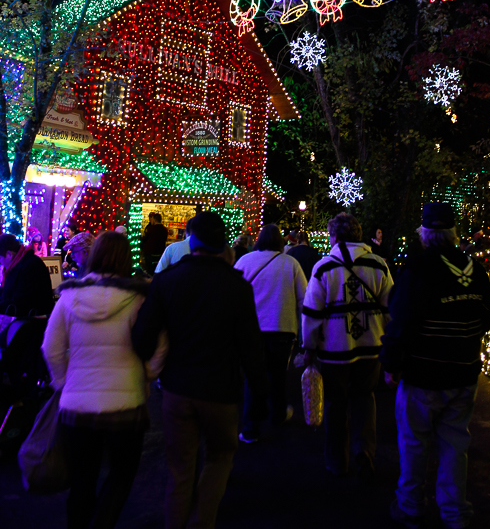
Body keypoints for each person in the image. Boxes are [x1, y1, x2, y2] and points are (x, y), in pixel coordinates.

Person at [131, 211, 268, 529]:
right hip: (221, 390)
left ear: (191, 243)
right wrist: (260, 393)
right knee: (220, 456)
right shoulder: (236, 286)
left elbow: (143, 336)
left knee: (180, 468)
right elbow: (251, 346)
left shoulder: (166, 280)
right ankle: (202, 520)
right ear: (223, 245)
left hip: (177, 388)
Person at [380, 202, 490, 529]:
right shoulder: (474, 268)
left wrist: (392, 364)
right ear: (453, 232)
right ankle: (455, 511)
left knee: (415, 444)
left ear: (425, 233)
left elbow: (400, 323)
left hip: (424, 375)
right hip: (464, 370)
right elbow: (489, 317)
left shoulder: (417, 269)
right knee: (455, 446)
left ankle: (411, 506)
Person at [42, 230, 166, 529]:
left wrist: (63, 382)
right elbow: (160, 347)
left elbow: (51, 348)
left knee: (82, 478)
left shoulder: (68, 298)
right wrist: (146, 375)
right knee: (122, 475)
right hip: (127, 404)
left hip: (77, 405)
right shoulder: (139, 300)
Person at [302, 212, 393, 479]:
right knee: (365, 399)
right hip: (371, 348)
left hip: (333, 351)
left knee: (334, 403)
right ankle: (364, 452)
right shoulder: (379, 266)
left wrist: (308, 347)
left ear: (335, 236)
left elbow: (311, 314)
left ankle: (336, 461)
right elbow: (391, 309)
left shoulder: (323, 268)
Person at [234, 223, 307, 442]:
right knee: (277, 375)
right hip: (282, 328)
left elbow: (234, 293)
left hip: (251, 329)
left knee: (252, 378)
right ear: (280, 241)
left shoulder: (244, 261)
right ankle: (277, 415)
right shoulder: (290, 263)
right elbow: (304, 298)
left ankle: (250, 426)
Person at [0, 233, 54, 317]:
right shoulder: (18, 263)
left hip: (32, 324)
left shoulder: (31, 266)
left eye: (0, 258)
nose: (0, 263)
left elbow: (20, 303)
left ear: (9, 254)